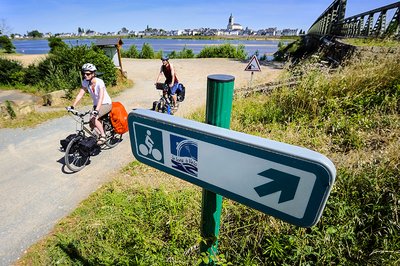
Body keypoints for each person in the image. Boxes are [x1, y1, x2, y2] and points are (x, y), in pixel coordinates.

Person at [69, 63, 112, 145]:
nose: (85, 75)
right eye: (84, 73)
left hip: (106, 104)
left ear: (93, 73)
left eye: (88, 74)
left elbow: (101, 98)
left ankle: (103, 136)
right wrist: (72, 106)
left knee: (94, 118)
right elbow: (80, 94)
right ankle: (99, 134)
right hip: (96, 105)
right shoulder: (85, 82)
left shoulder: (100, 82)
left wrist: (96, 110)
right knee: (91, 123)